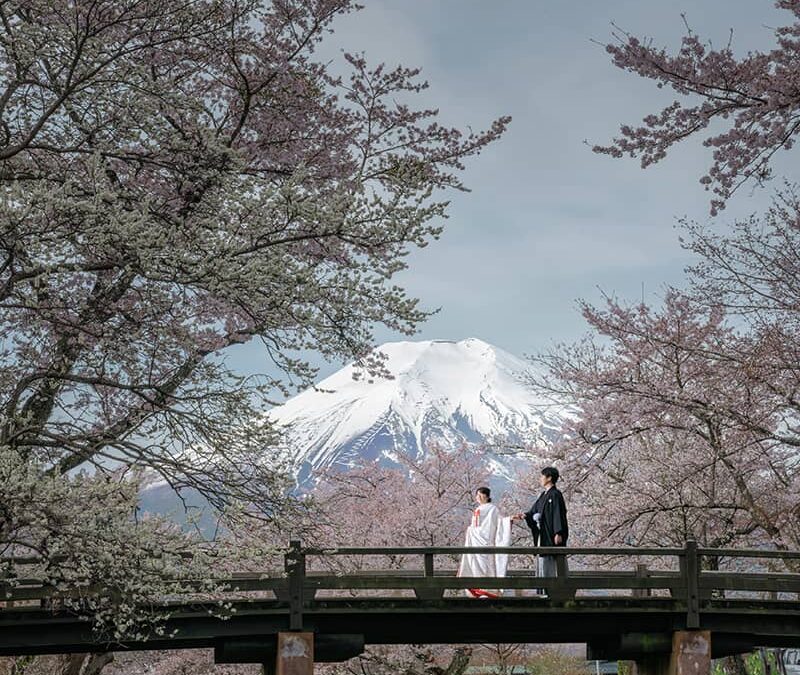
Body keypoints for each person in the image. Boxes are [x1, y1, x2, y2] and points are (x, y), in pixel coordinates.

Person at [513, 466, 569, 588]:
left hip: (551, 534)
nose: (540, 479)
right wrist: (525, 515)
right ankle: (544, 589)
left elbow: (558, 514)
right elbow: (534, 510)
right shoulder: (543, 495)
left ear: (549, 478)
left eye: (542, 476)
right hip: (542, 534)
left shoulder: (555, 494)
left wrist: (558, 532)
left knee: (553, 560)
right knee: (543, 559)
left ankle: (556, 589)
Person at [457, 487, 512, 598]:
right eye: (477, 495)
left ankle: (489, 590)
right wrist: (471, 531)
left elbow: (500, 522)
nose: (478, 497)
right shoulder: (477, 509)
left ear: (487, 496)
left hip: (487, 541)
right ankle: (476, 589)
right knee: (475, 566)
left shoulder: (493, 509)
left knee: (487, 566)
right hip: (475, 542)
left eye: (481, 494)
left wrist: (509, 519)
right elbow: (475, 526)